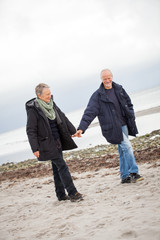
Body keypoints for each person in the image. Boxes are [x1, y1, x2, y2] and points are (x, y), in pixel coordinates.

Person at [73, 69, 144, 184]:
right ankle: (133, 173)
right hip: (112, 128)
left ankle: (124, 176)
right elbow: (89, 112)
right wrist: (81, 128)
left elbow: (128, 103)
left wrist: (130, 113)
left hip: (124, 124)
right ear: (101, 79)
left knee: (122, 151)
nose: (107, 80)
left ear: (112, 77)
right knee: (127, 147)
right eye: (104, 78)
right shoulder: (97, 96)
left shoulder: (119, 89)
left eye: (109, 77)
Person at [25, 83, 83, 201]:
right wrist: (34, 148)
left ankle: (61, 195)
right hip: (47, 143)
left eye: (50, 93)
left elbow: (63, 117)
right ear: (39, 95)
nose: (49, 96)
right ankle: (73, 193)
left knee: (57, 168)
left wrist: (73, 131)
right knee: (62, 166)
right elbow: (31, 130)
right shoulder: (34, 109)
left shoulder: (52, 104)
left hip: (58, 140)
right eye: (47, 94)